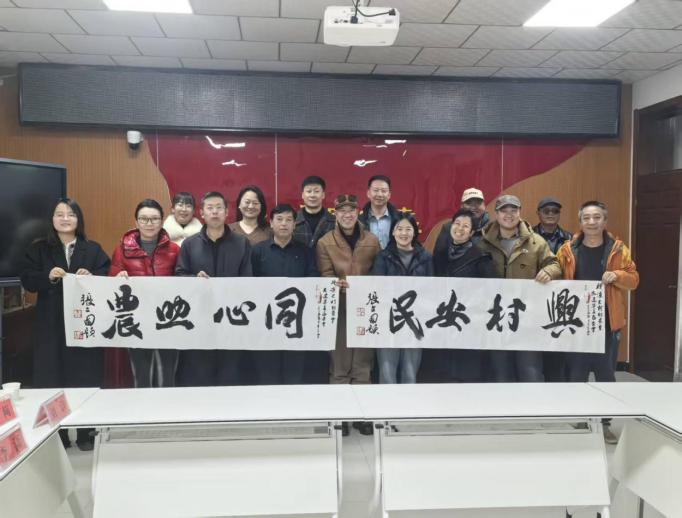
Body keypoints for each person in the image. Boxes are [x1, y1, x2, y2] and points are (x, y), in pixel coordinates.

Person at [21, 197, 110, 450]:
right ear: (52, 219)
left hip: (83, 324)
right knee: (52, 378)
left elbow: (107, 274)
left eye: (71, 214)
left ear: (78, 219)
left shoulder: (92, 249)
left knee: (85, 376)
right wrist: (47, 276)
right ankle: (57, 435)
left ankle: (85, 433)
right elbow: (27, 279)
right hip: (51, 324)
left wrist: (91, 277)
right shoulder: (39, 249)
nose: (65, 219)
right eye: (59, 214)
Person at [556, 200, 639, 443]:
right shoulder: (567, 249)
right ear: (580, 222)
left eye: (597, 217)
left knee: (605, 376)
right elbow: (556, 272)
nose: (591, 222)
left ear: (605, 221)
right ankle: (580, 419)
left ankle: (604, 424)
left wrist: (618, 275)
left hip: (607, 324)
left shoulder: (618, 249)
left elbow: (634, 279)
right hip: (575, 324)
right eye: (587, 218)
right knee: (576, 375)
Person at [478, 194, 562, 382]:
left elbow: (555, 264)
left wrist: (549, 271)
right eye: (504, 211)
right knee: (501, 375)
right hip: (496, 319)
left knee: (530, 373)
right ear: (496, 214)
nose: (509, 215)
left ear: (520, 213)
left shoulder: (536, 242)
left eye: (513, 210)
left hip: (527, 318)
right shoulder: (483, 243)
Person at [317, 194, 380, 434]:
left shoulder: (372, 240)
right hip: (339, 308)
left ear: (357, 212)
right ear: (336, 214)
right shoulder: (325, 242)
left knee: (362, 364)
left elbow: (379, 271)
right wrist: (335, 283)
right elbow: (324, 274)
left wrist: (367, 284)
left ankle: (362, 416)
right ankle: (341, 416)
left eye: (351, 210)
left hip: (365, 308)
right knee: (340, 364)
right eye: (342, 211)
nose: (347, 215)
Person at [175, 191, 252, 386]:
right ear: (202, 213)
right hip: (199, 319)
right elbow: (179, 276)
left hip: (231, 320)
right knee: (200, 374)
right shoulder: (189, 244)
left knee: (230, 374)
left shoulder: (241, 243)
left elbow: (248, 280)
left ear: (227, 212)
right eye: (210, 208)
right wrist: (194, 279)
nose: (215, 212)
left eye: (219, 208)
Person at [109, 199, 180, 388]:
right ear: (136, 222)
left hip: (168, 321)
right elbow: (110, 284)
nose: (149, 223)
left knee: (168, 374)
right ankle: (142, 405)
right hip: (136, 321)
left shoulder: (175, 250)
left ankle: (167, 406)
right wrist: (117, 278)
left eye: (154, 219)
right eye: (144, 219)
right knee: (141, 374)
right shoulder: (121, 250)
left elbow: (183, 280)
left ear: (162, 221)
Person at [251, 204, 319, 384]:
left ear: (294, 225)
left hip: (296, 322)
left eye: (289, 220)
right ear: (271, 223)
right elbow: (250, 283)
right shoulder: (258, 251)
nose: (284, 224)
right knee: (267, 373)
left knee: (294, 373)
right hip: (266, 322)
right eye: (279, 219)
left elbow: (313, 279)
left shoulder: (305, 251)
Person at [432, 208, 495, 382]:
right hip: (444, 322)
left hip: (470, 324)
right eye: (457, 223)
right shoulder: (440, 255)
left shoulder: (481, 257)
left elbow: (491, 290)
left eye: (465, 226)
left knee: (467, 373)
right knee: (444, 373)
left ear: (472, 232)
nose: (460, 228)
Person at [371, 211, 433, 384]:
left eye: (408, 229)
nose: (403, 233)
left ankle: (408, 402)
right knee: (387, 372)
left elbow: (432, 289)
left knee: (410, 372)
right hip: (388, 321)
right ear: (392, 232)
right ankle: (388, 402)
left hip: (416, 322)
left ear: (415, 232)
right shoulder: (383, 257)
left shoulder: (426, 257)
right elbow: (378, 287)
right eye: (399, 229)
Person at [533, 197, 572, 382]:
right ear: (538, 213)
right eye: (546, 211)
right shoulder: (527, 236)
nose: (550, 214)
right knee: (534, 352)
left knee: (557, 351)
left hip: (559, 302)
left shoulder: (571, 239)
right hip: (533, 300)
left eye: (554, 211)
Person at [431, 187, 490, 256]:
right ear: (462, 206)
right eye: (469, 203)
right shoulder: (448, 228)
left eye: (478, 203)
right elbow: (438, 256)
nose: (473, 207)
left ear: (484, 205)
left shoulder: (493, 228)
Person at [358, 174, 401, 249]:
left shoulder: (400, 219)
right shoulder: (358, 220)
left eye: (384, 191)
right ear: (368, 193)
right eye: (376, 190)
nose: (380, 194)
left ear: (389, 195)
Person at [293, 175, 336, 249]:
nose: (312, 195)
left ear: (323, 195)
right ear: (302, 195)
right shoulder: (293, 221)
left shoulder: (334, 222)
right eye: (309, 191)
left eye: (316, 191)